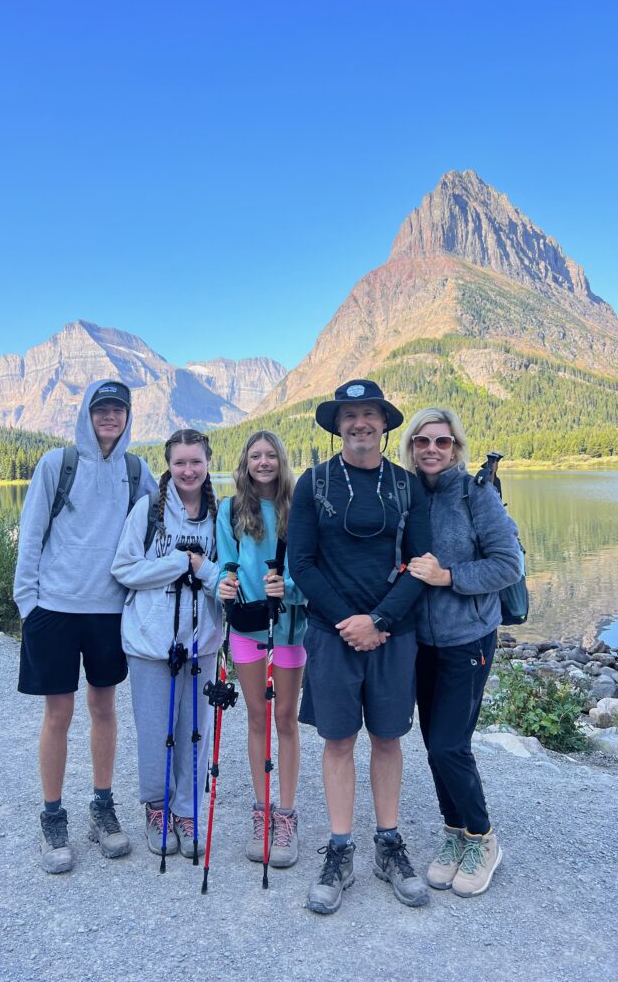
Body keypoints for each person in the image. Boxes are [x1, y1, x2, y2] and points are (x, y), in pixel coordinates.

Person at [288, 379, 432, 915]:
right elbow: (300, 563)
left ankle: (388, 845)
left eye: (369, 413)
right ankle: (341, 848)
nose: (360, 423)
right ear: (337, 424)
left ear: (385, 423)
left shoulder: (404, 485)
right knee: (340, 741)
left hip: (393, 633)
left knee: (389, 738)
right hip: (332, 635)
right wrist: (350, 621)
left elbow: (422, 562)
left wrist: (379, 619)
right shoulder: (314, 483)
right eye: (350, 415)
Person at [14, 379, 157, 874]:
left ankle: (102, 806)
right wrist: (27, 605)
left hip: (110, 610)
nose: (110, 417)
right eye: (102, 409)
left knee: (103, 706)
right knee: (58, 714)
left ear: (128, 415)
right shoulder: (57, 465)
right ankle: (53, 815)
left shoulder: (137, 472)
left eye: (119, 409)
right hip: (54, 607)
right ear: (87, 414)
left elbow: (159, 530)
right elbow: (30, 536)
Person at [399, 407, 522, 898]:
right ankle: (455, 832)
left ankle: (483, 837)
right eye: (422, 441)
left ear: (456, 448)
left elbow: (507, 565)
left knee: (451, 744)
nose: (432, 449)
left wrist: (450, 577)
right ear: (410, 447)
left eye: (442, 442)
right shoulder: (405, 494)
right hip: (421, 644)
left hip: (468, 640)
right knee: (435, 746)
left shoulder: (477, 494)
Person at [111, 429, 221, 860]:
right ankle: (157, 808)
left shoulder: (220, 514)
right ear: (168, 466)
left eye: (195, 462)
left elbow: (223, 577)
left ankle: (187, 811)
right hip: (150, 642)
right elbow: (124, 569)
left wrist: (204, 571)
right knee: (156, 731)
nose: (188, 470)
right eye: (180, 463)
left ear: (208, 463)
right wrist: (178, 564)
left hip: (201, 643)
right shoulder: (148, 511)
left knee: (195, 731)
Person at [217, 431, 307, 869]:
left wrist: (287, 586)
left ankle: (286, 814)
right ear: (246, 462)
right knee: (257, 716)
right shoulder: (230, 509)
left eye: (272, 454)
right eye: (256, 455)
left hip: (289, 627)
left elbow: (310, 566)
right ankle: (261, 809)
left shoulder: (299, 505)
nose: (265, 462)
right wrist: (225, 583)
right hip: (247, 628)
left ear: (281, 459)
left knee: (285, 718)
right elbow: (225, 560)